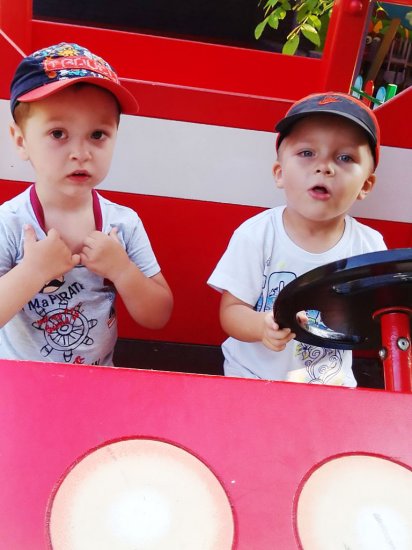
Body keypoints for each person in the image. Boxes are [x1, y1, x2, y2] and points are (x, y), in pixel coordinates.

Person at [0, 42, 173, 366]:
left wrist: (122, 270)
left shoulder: (122, 224)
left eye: (97, 135)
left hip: (97, 380)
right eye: (58, 134)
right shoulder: (9, 223)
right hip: (18, 382)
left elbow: (158, 315)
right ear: (21, 141)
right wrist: (33, 271)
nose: (81, 153)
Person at [208, 92, 386, 386]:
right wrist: (260, 326)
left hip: (331, 384)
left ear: (365, 185)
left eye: (345, 157)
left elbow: (383, 317)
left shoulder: (369, 247)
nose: (324, 167)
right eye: (307, 153)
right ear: (279, 173)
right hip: (252, 379)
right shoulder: (256, 235)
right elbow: (230, 312)